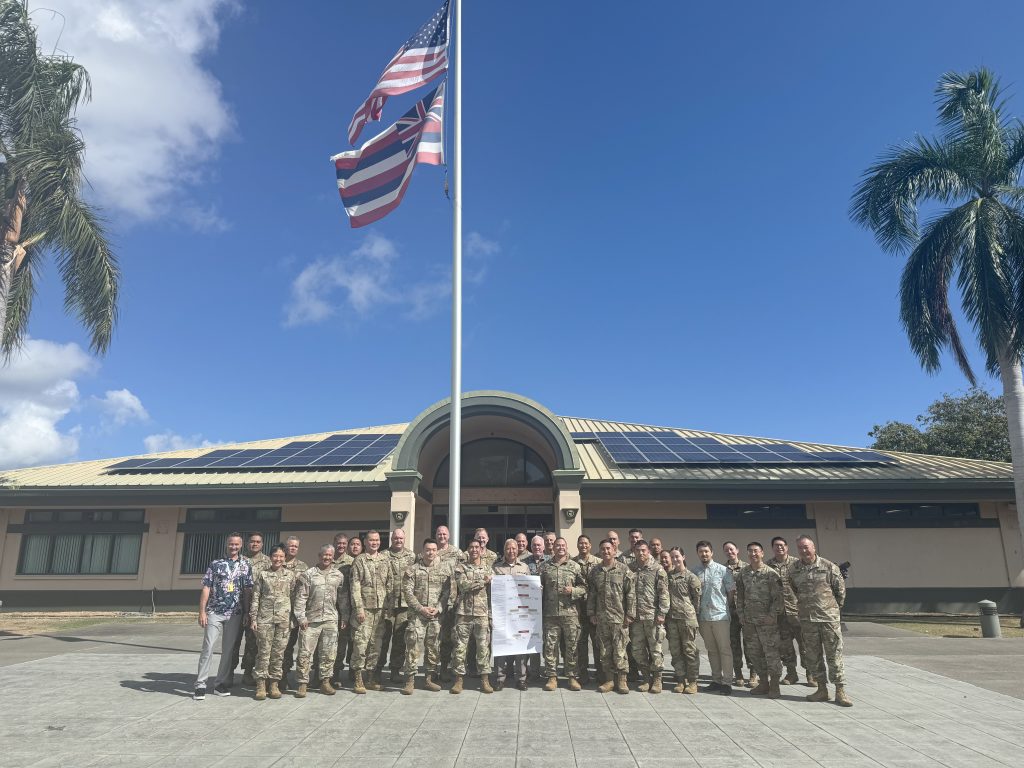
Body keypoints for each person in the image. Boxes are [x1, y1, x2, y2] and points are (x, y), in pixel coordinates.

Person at [790, 535, 852, 707]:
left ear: (814, 547)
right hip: (808, 621)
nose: (804, 551)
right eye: (800, 548)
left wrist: (831, 610)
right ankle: (822, 690)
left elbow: (840, 593)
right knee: (813, 656)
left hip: (828, 620)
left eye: (806, 547)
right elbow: (795, 589)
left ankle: (840, 691)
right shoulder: (794, 569)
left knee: (834, 655)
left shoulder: (828, 566)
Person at [193, 532, 253, 700]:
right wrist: (202, 611)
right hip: (215, 612)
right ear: (227, 545)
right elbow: (206, 587)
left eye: (237, 544)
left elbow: (248, 590)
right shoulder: (216, 564)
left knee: (228, 651)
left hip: (235, 613)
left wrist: (247, 612)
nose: (234, 547)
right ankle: (200, 685)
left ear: (241, 546)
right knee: (208, 648)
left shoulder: (246, 565)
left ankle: (220, 683)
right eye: (231, 544)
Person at [293, 544, 348, 698]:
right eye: (324, 555)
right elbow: (301, 597)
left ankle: (325, 681)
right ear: (319, 555)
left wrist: (344, 616)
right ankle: (303, 683)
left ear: (333, 557)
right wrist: (301, 617)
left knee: (329, 653)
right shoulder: (308, 574)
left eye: (330, 555)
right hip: (310, 621)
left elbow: (342, 599)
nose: (327, 558)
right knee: (304, 653)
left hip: (330, 619)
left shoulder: (338, 575)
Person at [401, 537, 451, 694]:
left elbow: (447, 592)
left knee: (433, 647)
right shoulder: (412, 570)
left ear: (437, 552)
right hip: (417, 615)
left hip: (435, 616)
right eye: (428, 550)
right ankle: (409, 681)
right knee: (413, 646)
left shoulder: (444, 570)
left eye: (434, 550)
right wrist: (421, 609)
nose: (431, 552)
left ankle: (429, 679)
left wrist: (439, 608)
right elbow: (408, 593)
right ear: (422, 552)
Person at [735, 542, 783, 699]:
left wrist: (772, 616)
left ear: (762, 553)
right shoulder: (743, 573)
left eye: (756, 551)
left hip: (767, 623)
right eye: (750, 551)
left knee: (771, 654)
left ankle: (774, 685)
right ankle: (763, 683)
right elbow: (740, 596)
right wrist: (741, 615)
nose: (753, 554)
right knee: (754, 653)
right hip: (749, 622)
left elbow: (778, 598)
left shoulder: (771, 574)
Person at [587, 538, 635, 694]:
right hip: (602, 619)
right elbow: (592, 594)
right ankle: (609, 680)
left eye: (609, 548)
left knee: (620, 650)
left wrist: (630, 614)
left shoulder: (624, 570)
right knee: (605, 651)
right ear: (600, 551)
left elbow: (631, 594)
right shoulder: (595, 571)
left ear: (614, 550)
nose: (606, 551)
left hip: (619, 618)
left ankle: (622, 680)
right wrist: (591, 613)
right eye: (603, 549)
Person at [539, 537, 586, 691]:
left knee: (572, 647)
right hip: (550, 615)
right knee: (550, 647)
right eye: (557, 545)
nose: (560, 548)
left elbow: (584, 587)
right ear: (553, 547)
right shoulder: (545, 567)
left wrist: (573, 590)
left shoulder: (575, 566)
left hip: (570, 615)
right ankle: (552, 677)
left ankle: (572, 677)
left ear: (566, 547)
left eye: (563, 545)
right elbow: (538, 586)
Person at [350, 530, 392, 694]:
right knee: (360, 644)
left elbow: (390, 584)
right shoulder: (359, 561)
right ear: (365, 542)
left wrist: (388, 607)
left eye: (377, 540)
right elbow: (355, 586)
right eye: (371, 540)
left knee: (376, 645)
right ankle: (358, 678)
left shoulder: (384, 560)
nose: (374, 543)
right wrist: (359, 608)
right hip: (365, 610)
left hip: (380, 610)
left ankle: (371, 677)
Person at [250, 544, 294, 700]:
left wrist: (293, 619)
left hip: (283, 620)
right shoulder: (263, 575)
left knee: (278, 654)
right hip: (265, 619)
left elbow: (294, 597)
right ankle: (261, 684)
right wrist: (253, 618)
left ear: (284, 558)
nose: (278, 559)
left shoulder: (290, 575)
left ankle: (274, 683)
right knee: (263, 653)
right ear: (270, 557)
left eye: (281, 556)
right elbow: (255, 598)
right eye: (275, 556)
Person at [692, 540, 735, 694]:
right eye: (701, 552)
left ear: (712, 553)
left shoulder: (723, 570)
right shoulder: (695, 571)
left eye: (706, 551)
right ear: (697, 553)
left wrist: (724, 607)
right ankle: (716, 680)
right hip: (703, 617)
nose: (704, 554)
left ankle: (727, 682)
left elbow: (731, 592)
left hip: (720, 616)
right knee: (711, 650)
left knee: (724, 649)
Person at [450, 540, 493, 694]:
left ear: (482, 550)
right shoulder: (460, 568)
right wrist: (483, 581)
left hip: (482, 614)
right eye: (471, 547)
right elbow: (463, 586)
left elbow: (494, 590)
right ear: (467, 550)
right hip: (464, 614)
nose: (474, 550)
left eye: (477, 547)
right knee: (460, 648)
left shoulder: (489, 568)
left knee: (483, 648)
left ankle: (485, 680)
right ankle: (458, 680)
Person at [767, 536, 810, 685]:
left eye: (781, 545)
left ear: (787, 547)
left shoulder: (797, 564)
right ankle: (791, 673)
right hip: (779, 613)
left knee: (805, 643)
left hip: (797, 611)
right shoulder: (768, 566)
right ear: (772, 548)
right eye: (776, 545)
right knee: (785, 646)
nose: (779, 548)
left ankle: (810, 673)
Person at [629, 540, 669, 693]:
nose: (641, 553)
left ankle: (657, 679)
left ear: (648, 551)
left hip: (653, 617)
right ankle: (646, 678)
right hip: (636, 618)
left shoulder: (657, 569)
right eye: (638, 550)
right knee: (637, 650)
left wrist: (662, 613)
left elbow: (664, 593)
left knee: (656, 650)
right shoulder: (630, 568)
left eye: (644, 550)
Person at [233, 532, 271, 687]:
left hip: (256, 609)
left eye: (258, 542)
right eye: (252, 541)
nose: (255, 544)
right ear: (247, 543)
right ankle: (228, 672)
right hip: (236, 607)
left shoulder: (268, 562)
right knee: (233, 643)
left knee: (252, 644)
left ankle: (248, 672)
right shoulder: (238, 560)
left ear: (262, 544)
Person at [378, 528, 416, 683]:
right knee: (382, 638)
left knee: (400, 640)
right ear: (391, 539)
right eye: (395, 538)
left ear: (404, 539)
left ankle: (395, 670)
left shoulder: (411, 556)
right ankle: (377, 670)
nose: (398, 540)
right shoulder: (383, 556)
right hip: (387, 604)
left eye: (401, 538)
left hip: (404, 605)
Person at [492, 538, 530, 691]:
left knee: (520, 647)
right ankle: (500, 678)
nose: (511, 551)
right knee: (501, 646)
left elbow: (529, 587)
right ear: (504, 549)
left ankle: (521, 679)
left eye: (514, 548)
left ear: (517, 550)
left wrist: (536, 588)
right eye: (508, 548)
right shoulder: (495, 568)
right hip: (502, 614)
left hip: (520, 614)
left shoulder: (525, 567)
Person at [665, 547, 701, 694]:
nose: (675, 559)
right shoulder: (667, 576)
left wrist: (691, 615)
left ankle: (692, 681)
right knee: (675, 651)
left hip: (687, 619)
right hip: (672, 619)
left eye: (677, 556)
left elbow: (696, 600)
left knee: (689, 650)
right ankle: (680, 680)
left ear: (683, 557)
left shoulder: (691, 577)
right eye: (672, 557)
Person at [433, 524, 462, 679]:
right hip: (431, 601)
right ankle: (431, 669)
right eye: (439, 534)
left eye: (444, 534)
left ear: (448, 536)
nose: (442, 536)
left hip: (450, 602)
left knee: (447, 637)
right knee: (432, 638)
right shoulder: (430, 551)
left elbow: (465, 571)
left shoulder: (457, 553)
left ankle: (444, 667)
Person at [279, 536, 308, 689]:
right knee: (276, 647)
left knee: (289, 647)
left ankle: (284, 676)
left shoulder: (303, 567)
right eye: (290, 546)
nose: (293, 548)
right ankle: (273, 677)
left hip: (293, 615)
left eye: (296, 546)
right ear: (285, 547)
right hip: (277, 613)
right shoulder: (277, 562)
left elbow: (306, 591)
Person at [573, 534, 603, 685]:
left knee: (598, 644)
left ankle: (600, 674)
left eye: (586, 543)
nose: (583, 545)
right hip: (578, 610)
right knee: (581, 644)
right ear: (577, 545)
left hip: (596, 611)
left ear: (590, 545)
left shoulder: (599, 563)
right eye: (580, 543)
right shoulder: (572, 563)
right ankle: (583, 674)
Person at [723, 541, 752, 687]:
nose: (729, 552)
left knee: (750, 644)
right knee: (734, 644)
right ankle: (738, 674)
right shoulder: (722, 569)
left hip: (746, 611)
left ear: (737, 550)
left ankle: (753, 674)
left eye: (731, 549)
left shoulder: (747, 567)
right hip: (731, 612)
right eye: (726, 550)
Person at [331, 533, 354, 686]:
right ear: (334, 543)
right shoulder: (327, 558)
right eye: (339, 543)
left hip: (346, 607)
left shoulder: (352, 562)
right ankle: (328, 673)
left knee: (344, 642)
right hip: (330, 607)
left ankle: (342, 673)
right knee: (329, 642)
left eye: (344, 543)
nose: (341, 546)